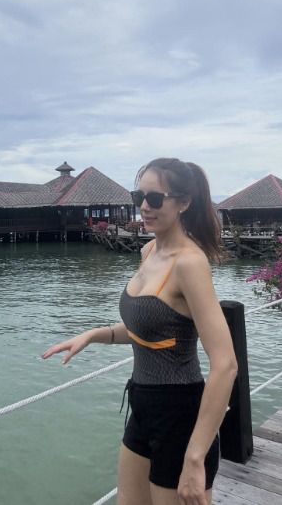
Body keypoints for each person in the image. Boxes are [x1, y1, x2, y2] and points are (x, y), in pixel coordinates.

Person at [42, 158, 238, 505]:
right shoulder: (148, 251)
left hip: (180, 415)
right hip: (143, 406)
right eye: (139, 197)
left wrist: (195, 458)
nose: (145, 207)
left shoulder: (189, 264)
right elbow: (148, 330)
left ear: (183, 202)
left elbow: (225, 365)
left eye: (156, 198)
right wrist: (92, 335)